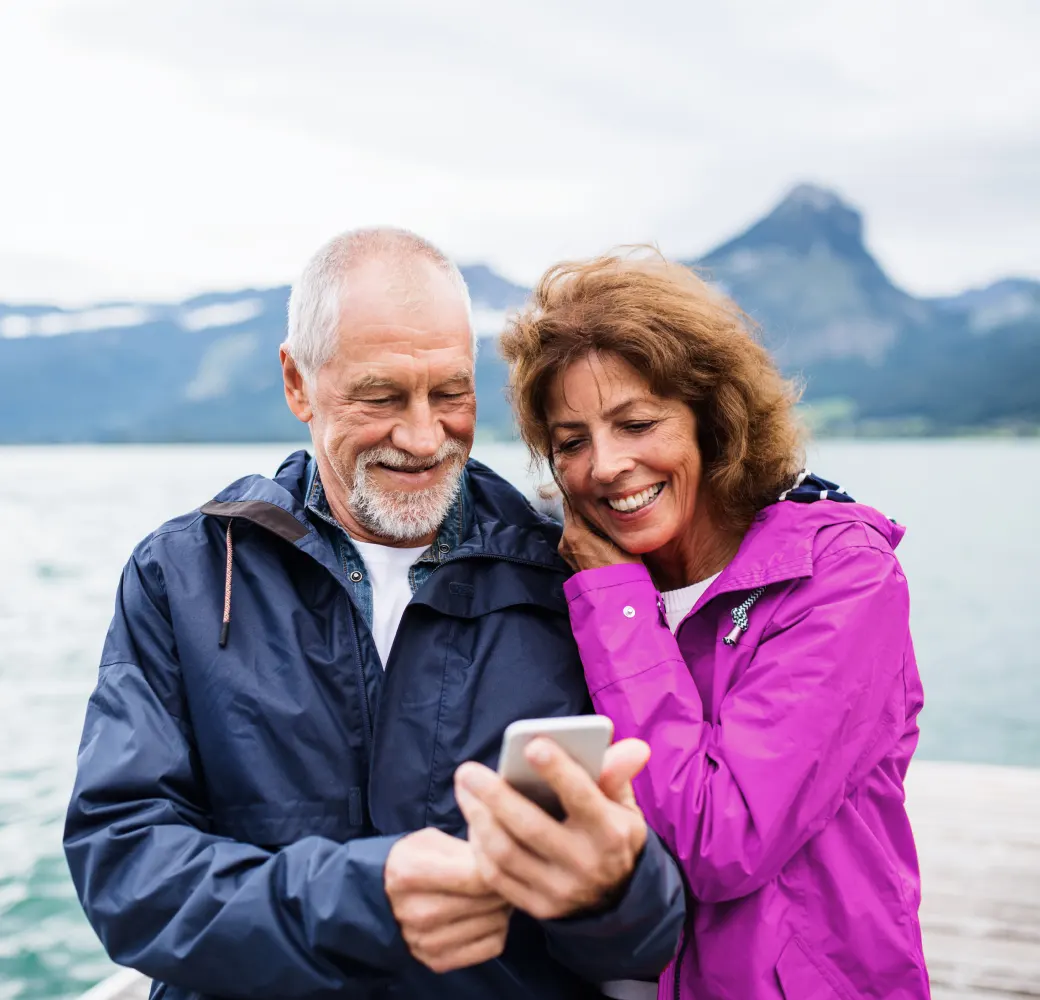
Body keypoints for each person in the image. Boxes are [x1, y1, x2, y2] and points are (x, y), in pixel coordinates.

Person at [63, 229, 685, 1000]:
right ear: (297, 383)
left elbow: (654, 932)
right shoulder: (181, 575)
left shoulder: (572, 574)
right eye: (381, 396)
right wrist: (360, 900)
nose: (423, 437)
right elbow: (123, 869)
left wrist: (615, 887)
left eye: (450, 393)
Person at [494, 251, 931, 999]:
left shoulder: (842, 578)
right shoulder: (571, 580)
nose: (604, 466)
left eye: (636, 423)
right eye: (571, 441)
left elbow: (721, 839)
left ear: (712, 418)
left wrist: (615, 603)